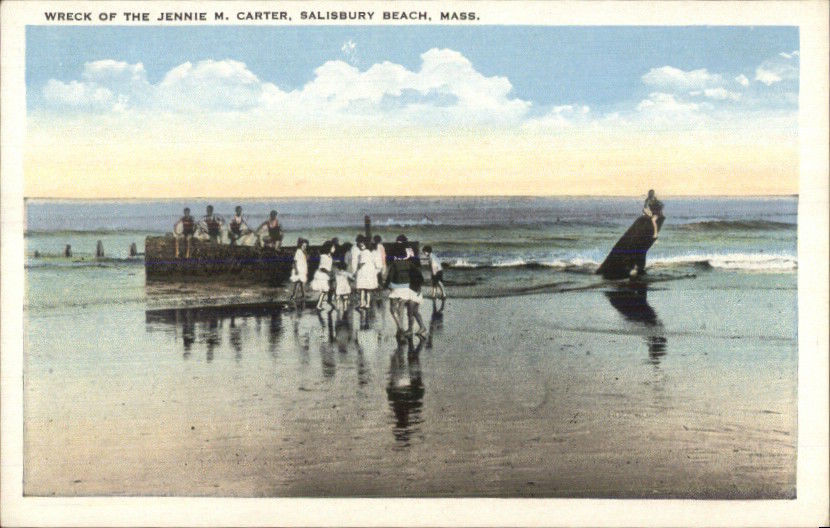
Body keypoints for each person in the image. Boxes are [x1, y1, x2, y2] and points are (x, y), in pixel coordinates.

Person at [385, 238, 413, 335]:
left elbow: (390, 277)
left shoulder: (394, 264)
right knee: (401, 308)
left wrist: (385, 286)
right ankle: (400, 327)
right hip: (407, 287)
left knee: (392, 309)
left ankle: (400, 327)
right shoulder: (409, 263)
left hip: (396, 287)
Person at [310, 241, 335, 310]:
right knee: (324, 290)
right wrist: (329, 273)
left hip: (327, 274)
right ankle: (319, 305)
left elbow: (329, 266)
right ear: (329, 248)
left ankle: (327, 301)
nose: (334, 249)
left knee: (330, 289)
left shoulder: (329, 256)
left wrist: (331, 273)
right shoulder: (323, 256)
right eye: (333, 247)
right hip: (322, 275)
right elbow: (322, 267)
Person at [355, 237, 379, 310]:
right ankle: (367, 304)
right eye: (360, 246)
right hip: (369, 272)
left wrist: (357, 270)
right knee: (367, 289)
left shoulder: (364, 252)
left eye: (362, 246)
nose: (361, 247)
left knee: (363, 289)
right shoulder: (368, 252)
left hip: (364, 272)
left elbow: (361, 263)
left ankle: (363, 303)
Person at [406, 256, 427, 337]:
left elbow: (420, 281)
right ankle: (422, 327)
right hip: (417, 293)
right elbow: (421, 280)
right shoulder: (416, 270)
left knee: (410, 313)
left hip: (413, 293)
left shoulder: (413, 270)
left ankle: (410, 330)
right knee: (415, 312)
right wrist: (419, 290)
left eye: (409, 262)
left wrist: (418, 290)